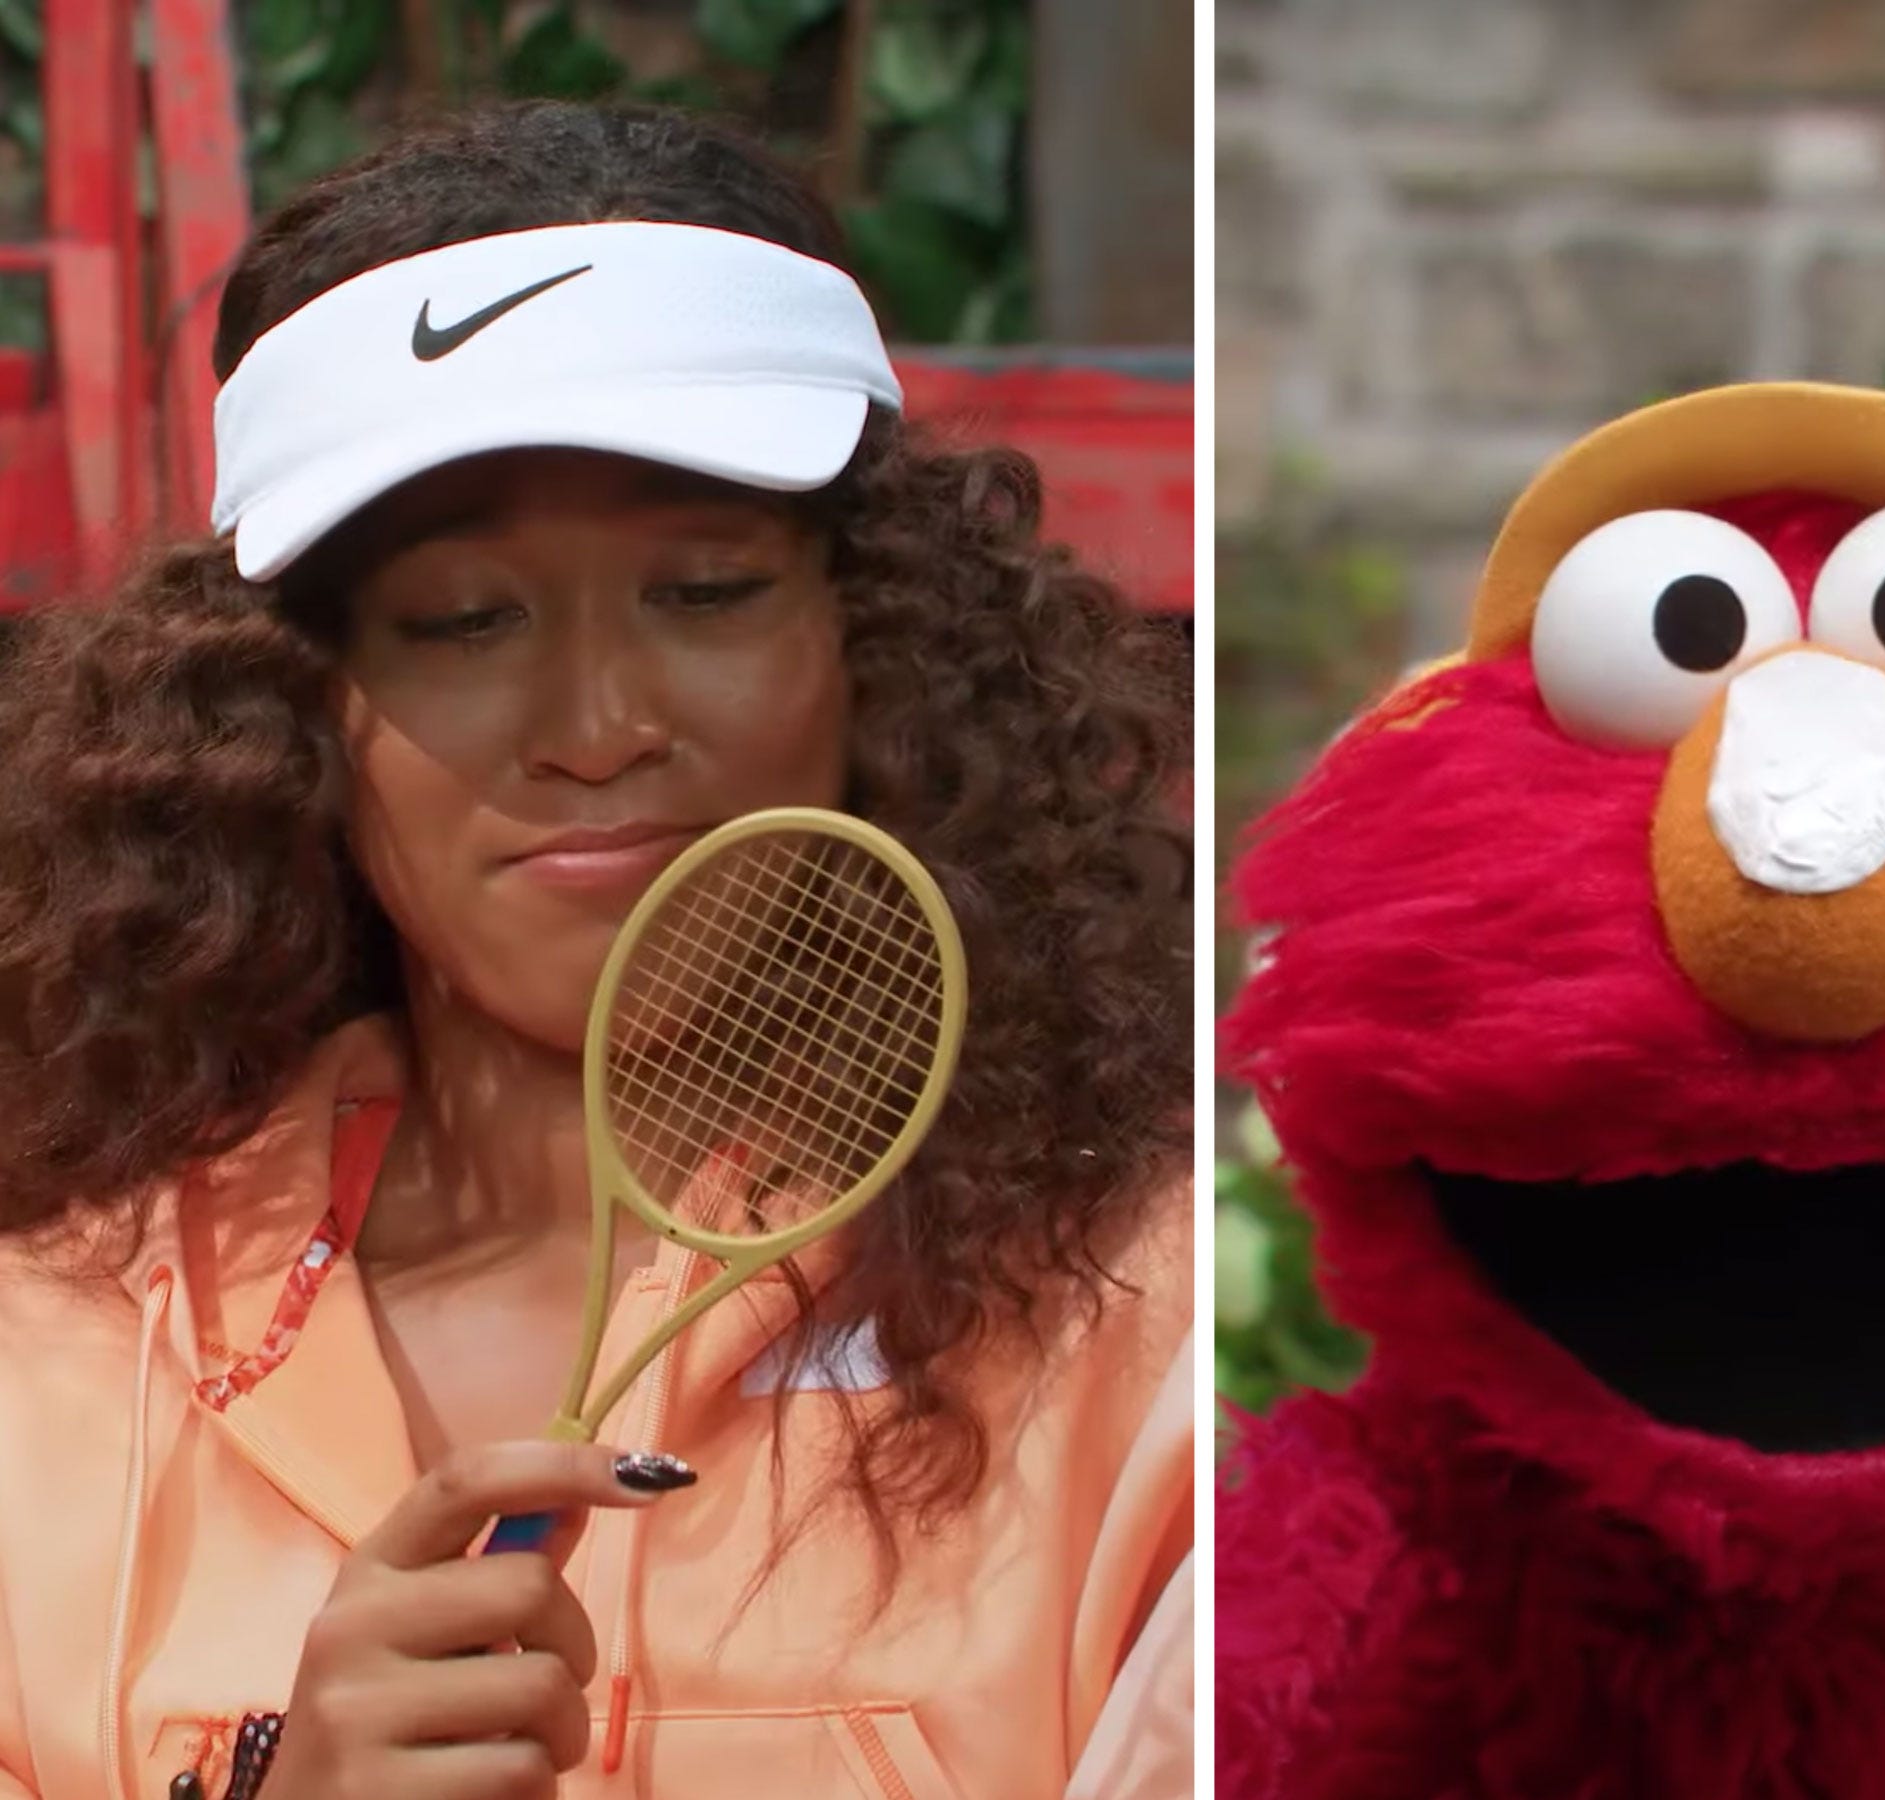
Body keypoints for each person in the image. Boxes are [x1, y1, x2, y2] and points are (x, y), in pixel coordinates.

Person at [0, 100, 1193, 1800]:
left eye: (704, 592)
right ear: (290, 713)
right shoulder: (45, 1354)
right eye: (466, 621)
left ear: (881, 645)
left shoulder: (1142, 1339)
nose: (597, 725)